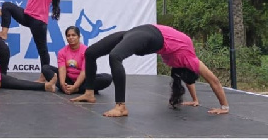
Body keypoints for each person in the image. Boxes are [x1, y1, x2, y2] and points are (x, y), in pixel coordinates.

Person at [71, 24, 230, 117]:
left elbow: (203, 80)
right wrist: (199, 101)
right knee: (90, 53)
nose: (182, 78)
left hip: (150, 37)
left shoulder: (187, 61)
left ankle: (121, 106)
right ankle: (89, 93)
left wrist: (223, 108)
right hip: (141, 32)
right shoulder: (189, 59)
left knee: (115, 56)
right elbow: (208, 80)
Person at [41, 26, 112, 94]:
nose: (71, 37)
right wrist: (62, 84)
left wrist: (75, 86)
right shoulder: (62, 52)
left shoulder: (86, 51)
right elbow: (62, 69)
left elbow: (84, 71)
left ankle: (77, 89)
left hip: (84, 80)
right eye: (68, 36)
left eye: (73, 35)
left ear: (78, 37)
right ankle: (74, 89)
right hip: (68, 80)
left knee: (107, 78)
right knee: (45, 68)